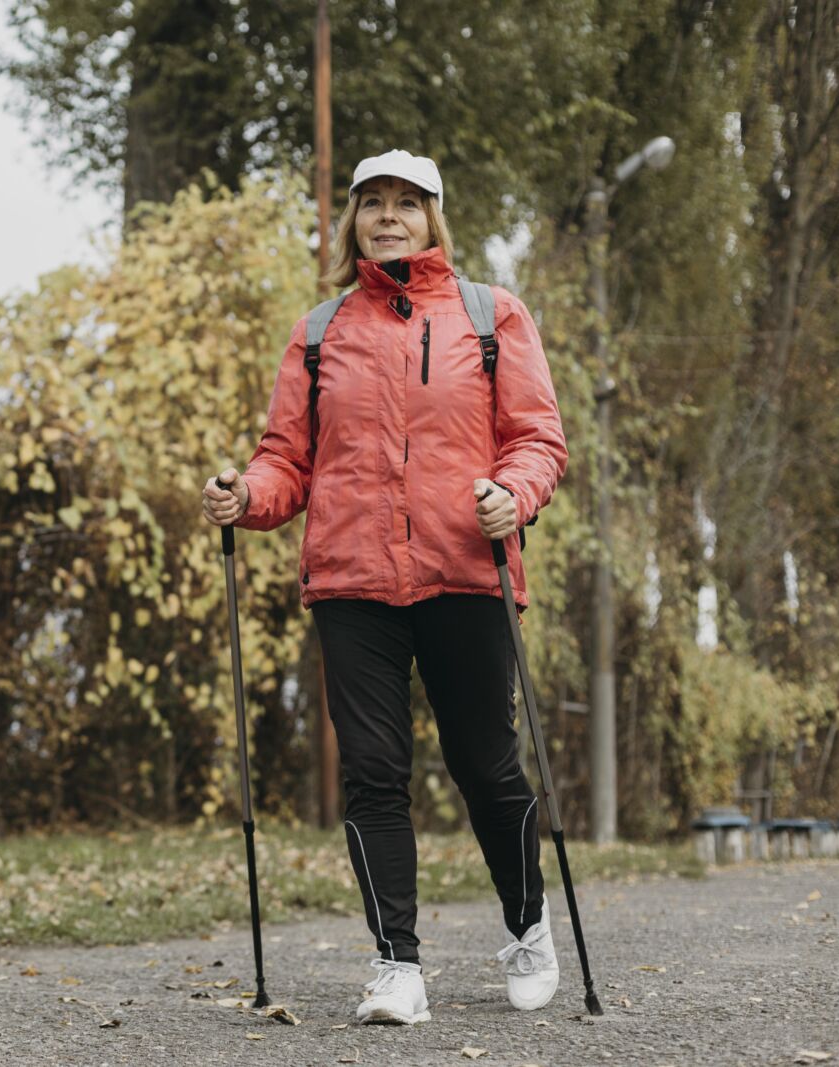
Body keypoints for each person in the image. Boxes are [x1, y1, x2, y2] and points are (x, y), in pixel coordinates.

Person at [201, 149, 569, 1025]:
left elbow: (538, 439)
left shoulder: (493, 316)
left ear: (434, 217)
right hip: (353, 582)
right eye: (374, 203)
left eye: (408, 202)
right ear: (353, 220)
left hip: (464, 574)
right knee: (372, 773)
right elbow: (287, 458)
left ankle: (527, 925)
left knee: (488, 768)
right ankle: (396, 964)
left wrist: (509, 496)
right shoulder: (320, 329)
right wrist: (246, 495)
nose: (390, 216)